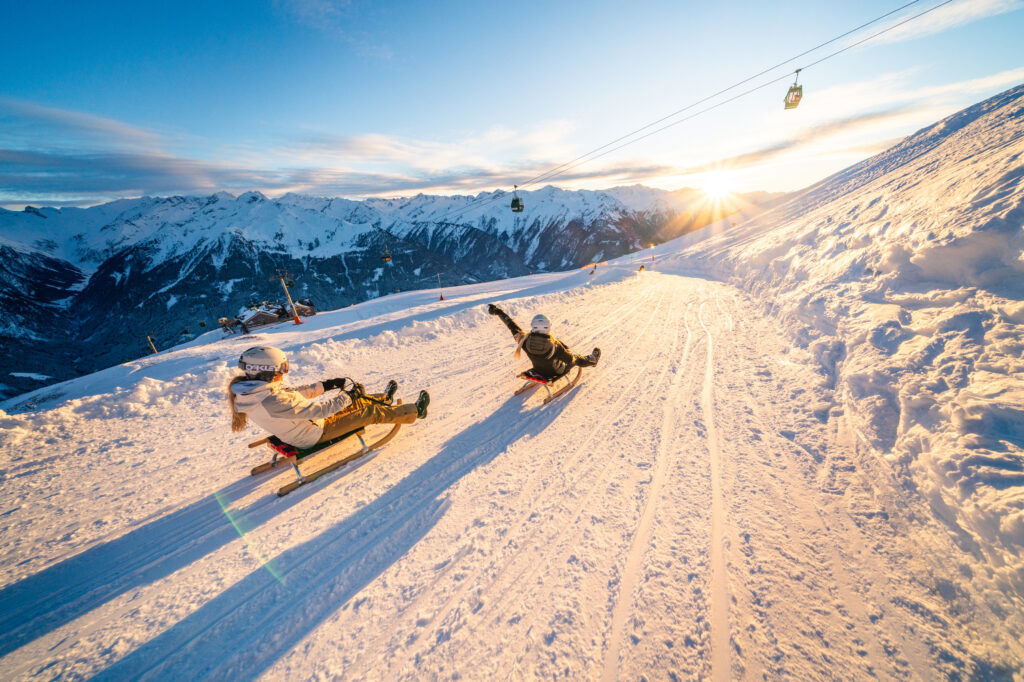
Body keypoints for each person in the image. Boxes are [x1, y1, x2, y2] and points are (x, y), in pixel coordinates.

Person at [228, 346, 429, 449]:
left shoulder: (256, 391)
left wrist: (327, 385)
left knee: (356, 401)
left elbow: (294, 394)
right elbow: (320, 410)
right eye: (283, 368)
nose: (285, 372)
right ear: (267, 370)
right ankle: (415, 412)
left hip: (310, 425)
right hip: (313, 434)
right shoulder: (271, 400)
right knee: (367, 411)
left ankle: (385, 399)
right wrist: (347, 396)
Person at [487, 304, 600, 379]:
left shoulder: (524, 340)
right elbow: (570, 360)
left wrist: (498, 312)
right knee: (577, 358)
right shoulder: (555, 345)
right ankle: (592, 360)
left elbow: (511, 325)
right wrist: (570, 354)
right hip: (555, 373)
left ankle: (589, 360)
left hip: (539, 369)